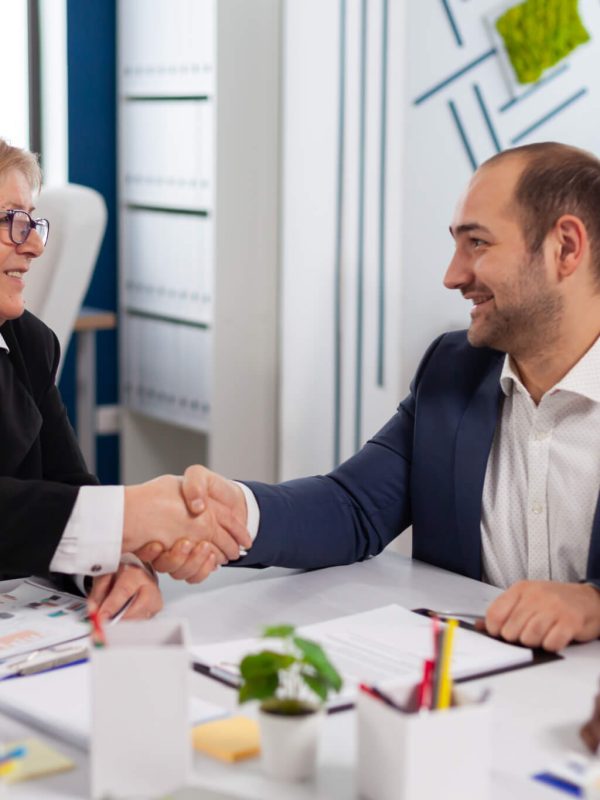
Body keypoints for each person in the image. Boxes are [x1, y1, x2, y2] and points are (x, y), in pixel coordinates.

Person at [144, 141, 600, 652]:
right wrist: (237, 512)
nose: (453, 276)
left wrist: (593, 603)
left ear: (565, 248)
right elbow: (354, 506)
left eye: (478, 244)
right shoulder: (455, 370)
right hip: (468, 686)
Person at [0, 137, 251, 618]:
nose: (33, 246)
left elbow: (69, 484)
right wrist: (130, 515)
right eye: (14, 222)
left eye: (34, 223)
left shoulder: (28, 342)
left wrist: (117, 561)